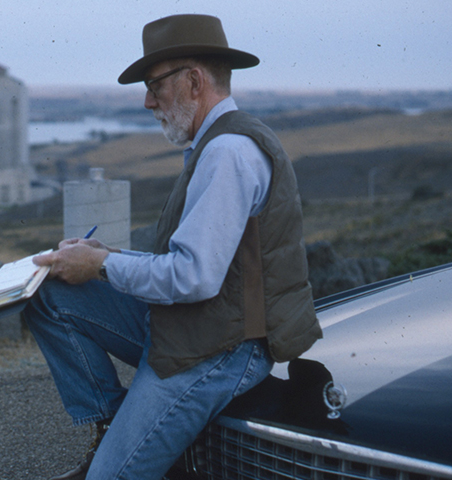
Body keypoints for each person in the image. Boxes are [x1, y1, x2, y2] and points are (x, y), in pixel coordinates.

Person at [24, 14, 322, 480]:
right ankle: (117, 425)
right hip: (194, 326)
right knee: (49, 292)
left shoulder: (227, 153)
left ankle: (132, 451)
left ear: (194, 81)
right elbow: (197, 267)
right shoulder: (215, 145)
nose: (147, 101)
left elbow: (193, 277)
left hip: (222, 348)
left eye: (154, 86)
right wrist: (108, 257)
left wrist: (101, 264)